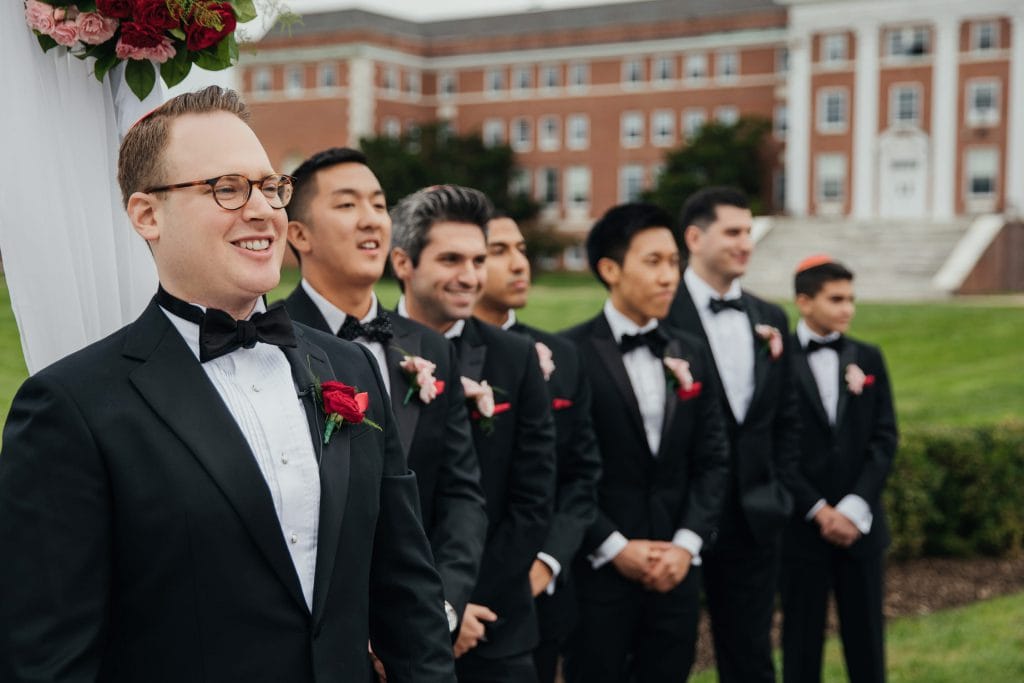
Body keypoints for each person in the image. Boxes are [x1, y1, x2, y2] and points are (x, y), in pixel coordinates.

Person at [0, 87, 455, 683]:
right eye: (226, 188)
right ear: (147, 214)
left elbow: (407, 592)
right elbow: (48, 656)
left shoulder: (350, 368)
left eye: (270, 187)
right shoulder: (71, 407)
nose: (263, 209)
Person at [281, 147, 488, 642]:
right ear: (299, 234)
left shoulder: (430, 345)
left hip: (426, 627)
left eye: (378, 203)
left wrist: (441, 607)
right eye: (348, 205)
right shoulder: (272, 344)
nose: (372, 219)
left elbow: (461, 493)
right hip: (322, 635)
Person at [390, 185, 557, 683]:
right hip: (390, 630)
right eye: (450, 259)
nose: (470, 277)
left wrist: (461, 604)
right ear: (404, 262)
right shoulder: (363, 348)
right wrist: (425, 613)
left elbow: (533, 498)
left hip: (494, 625)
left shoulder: (516, 358)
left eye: (478, 260)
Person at [560, 203, 730, 683]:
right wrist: (615, 547)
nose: (668, 276)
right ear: (610, 269)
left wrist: (686, 544)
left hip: (677, 573)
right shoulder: (567, 354)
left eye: (673, 262)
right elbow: (559, 468)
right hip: (600, 574)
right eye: (652, 262)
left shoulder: (690, 351)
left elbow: (714, 458)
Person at [664, 186, 801, 683]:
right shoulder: (661, 312)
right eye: (734, 232)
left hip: (755, 514)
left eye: (749, 231)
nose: (746, 242)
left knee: (751, 656)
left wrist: (778, 491)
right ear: (695, 238)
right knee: (666, 653)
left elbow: (786, 418)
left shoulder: (771, 318)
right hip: (676, 517)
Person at [473, 214, 602, 683]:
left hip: (538, 590)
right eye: (499, 251)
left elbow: (582, 472)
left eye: (522, 250)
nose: (518, 264)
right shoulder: (431, 353)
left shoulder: (562, 356)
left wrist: (547, 562)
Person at [781, 256, 897, 683]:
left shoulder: (867, 357)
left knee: (867, 642)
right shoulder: (777, 362)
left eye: (851, 299)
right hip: (801, 529)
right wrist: (816, 508)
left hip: (861, 528)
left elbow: (884, 438)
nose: (848, 309)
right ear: (804, 302)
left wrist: (853, 507)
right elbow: (775, 448)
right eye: (836, 299)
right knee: (800, 643)